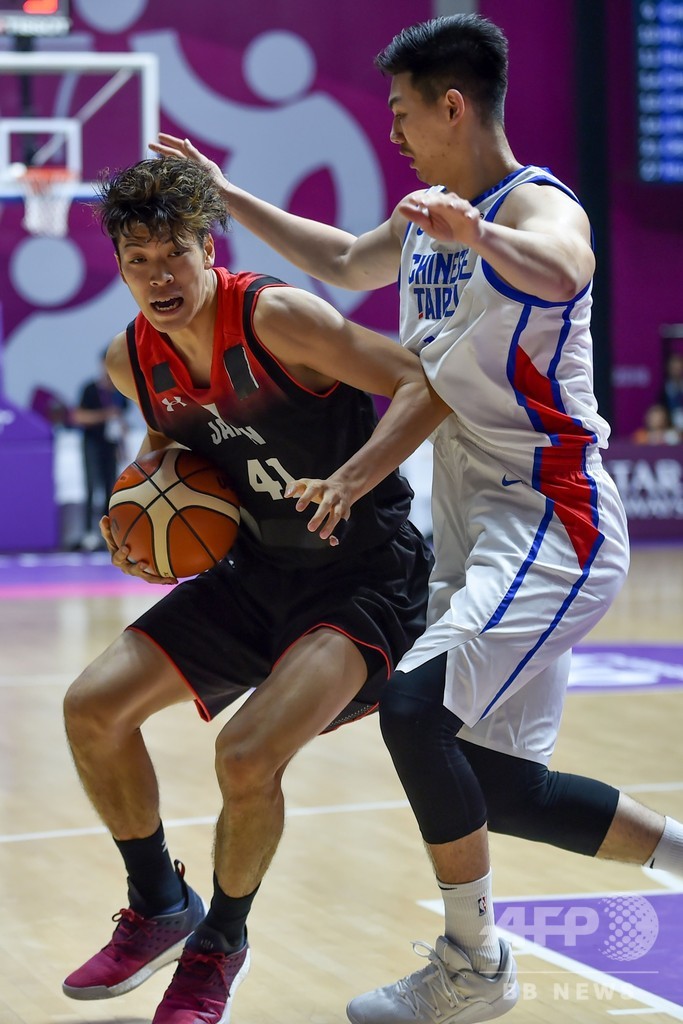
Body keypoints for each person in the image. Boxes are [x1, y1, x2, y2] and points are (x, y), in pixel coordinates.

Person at [153, 14, 683, 1024]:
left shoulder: (533, 205)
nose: (391, 131)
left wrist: (477, 236)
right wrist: (224, 193)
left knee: (411, 711)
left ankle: (472, 966)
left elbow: (566, 270)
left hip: (550, 519)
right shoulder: (418, 219)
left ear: (451, 106)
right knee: (494, 784)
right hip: (470, 525)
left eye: (401, 113)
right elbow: (343, 260)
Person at [61, 155, 448, 1023]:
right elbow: (180, 451)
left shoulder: (277, 319)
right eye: (138, 261)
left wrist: (351, 477)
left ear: (210, 248)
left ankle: (219, 945)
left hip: (362, 575)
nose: (159, 277)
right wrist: (140, 512)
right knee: (92, 709)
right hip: (255, 572)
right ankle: (159, 904)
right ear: (119, 269)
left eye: (174, 254)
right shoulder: (131, 361)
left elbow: (422, 385)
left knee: (244, 755)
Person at [70, 350, 128, 549]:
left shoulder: (119, 391)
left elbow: (120, 420)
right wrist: (105, 415)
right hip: (92, 443)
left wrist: (122, 446)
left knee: (110, 487)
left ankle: (108, 534)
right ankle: (88, 532)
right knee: (91, 486)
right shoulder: (90, 389)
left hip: (111, 445)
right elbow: (79, 417)